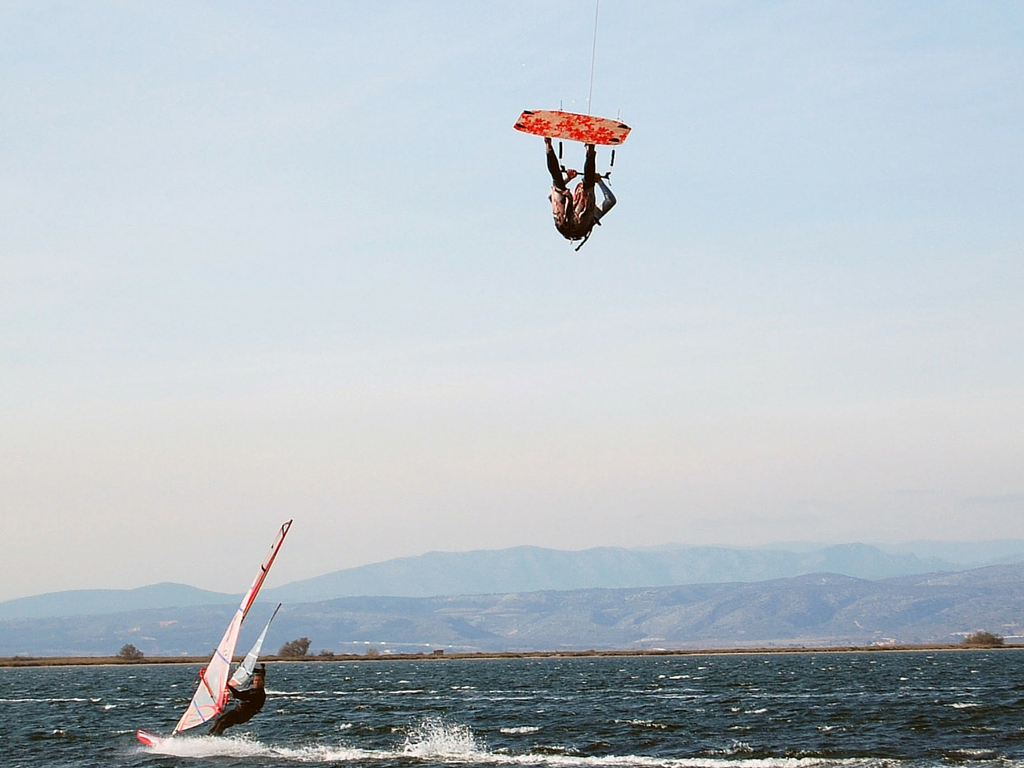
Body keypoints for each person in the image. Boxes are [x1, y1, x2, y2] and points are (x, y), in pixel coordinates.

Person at [545, 137, 616, 247]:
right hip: (575, 227)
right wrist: (599, 181)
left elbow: (551, 196)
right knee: (586, 185)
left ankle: (548, 145)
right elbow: (611, 201)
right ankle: (590, 149)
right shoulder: (594, 212)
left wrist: (568, 178)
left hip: (565, 225)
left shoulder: (572, 203)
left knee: (559, 184)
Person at [209, 664, 267, 736]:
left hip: (242, 716)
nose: (257, 682)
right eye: (255, 680)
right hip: (237, 712)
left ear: (263, 682)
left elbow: (239, 695)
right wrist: (229, 686)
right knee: (218, 721)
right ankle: (208, 737)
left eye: (259, 680)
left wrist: (228, 686)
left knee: (222, 723)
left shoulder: (259, 694)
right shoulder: (252, 690)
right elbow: (238, 693)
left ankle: (214, 739)